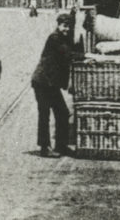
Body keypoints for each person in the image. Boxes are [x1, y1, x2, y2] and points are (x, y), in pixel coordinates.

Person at [31, 13, 73, 158]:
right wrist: (86, 57)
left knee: (62, 112)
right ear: (59, 25)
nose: (67, 29)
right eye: (64, 26)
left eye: (69, 26)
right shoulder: (54, 38)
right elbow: (67, 54)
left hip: (51, 83)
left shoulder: (62, 38)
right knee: (45, 114)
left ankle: (61, 146)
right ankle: (44, 148)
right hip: (43, 82)